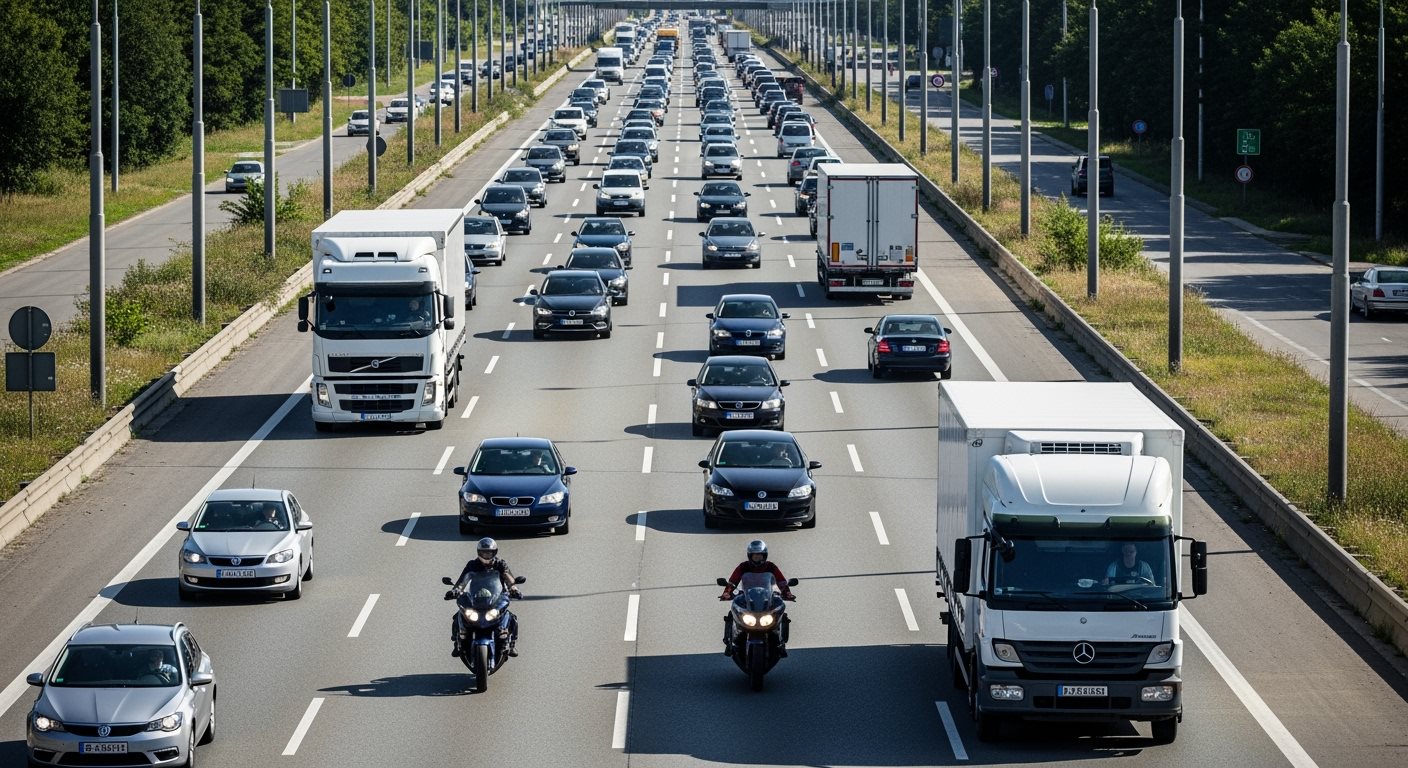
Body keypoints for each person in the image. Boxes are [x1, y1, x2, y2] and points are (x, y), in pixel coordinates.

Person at [720, 539, 794, 657]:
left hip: (767, 596)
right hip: (747, 595)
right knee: (733, 610)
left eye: (760, 555)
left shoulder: (771, 566)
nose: (757, 558)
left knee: (780, 610)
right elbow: (733, 581)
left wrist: (787, 593)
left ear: (764, 555)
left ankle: (781, 643)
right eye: (755, 555)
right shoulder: (743, 566)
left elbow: (781, 581)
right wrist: (727, 592)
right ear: (750, 556)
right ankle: (729, 642)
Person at [449, 537, 521, 657]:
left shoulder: (500, 564)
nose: (486, 555)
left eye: (489, 553)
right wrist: (456, 590)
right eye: (484, 552)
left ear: (494, 553)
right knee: (459, 615)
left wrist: (513, 588)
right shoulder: (472, 565)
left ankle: (512, 643)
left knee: (511, 617)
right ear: (479, 552)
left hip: (496, 596)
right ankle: (457, 643)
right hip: (475, 596)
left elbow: (508, 577)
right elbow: (463, 580)